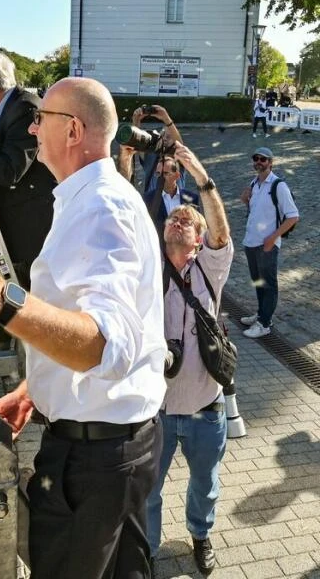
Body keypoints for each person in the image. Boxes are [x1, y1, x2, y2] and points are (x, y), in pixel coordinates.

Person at [0, 76, 166, 578]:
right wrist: (36, 386)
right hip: (115, 451)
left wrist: (1, 300)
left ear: (73, 131)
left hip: (95, 461)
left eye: (41, 117)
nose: (34, 126)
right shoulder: (92, 198)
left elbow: (103, 344)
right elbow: (98, 323)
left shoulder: (100, 208)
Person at [147, 141, 233, 576]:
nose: (180, 218)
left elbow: (221, 230)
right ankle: (147, 549)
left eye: (189, 219)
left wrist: (202, 178)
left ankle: (201, 536)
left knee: (205, 484)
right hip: (156, 409)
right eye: (175, 217)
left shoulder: (210, 269)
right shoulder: (149, 268)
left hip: (204, 406)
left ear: (200, 241)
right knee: (148, 490)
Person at [0, 50, 56, 290]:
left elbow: (10, 172)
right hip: (22, 228)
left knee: (29, 306)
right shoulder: (13, 106)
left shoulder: (25, 108)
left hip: (29, 233)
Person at [239, 146, 299, 338]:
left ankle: (264, 323)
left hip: (267, 244)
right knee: (259, 282)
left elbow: (293, 216)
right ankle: (261, 313)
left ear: (271, 163)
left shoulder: (278, 186)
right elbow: (257, 211)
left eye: (263, 159)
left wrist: (273, 238)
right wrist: (245, 200)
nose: (259, 162)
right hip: (251, 241)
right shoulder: (254, 183)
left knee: (269, 284)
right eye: (256, 158)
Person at [117, 104, 186, 192]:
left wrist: (166, 118)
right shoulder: (152, 158)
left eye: (168, 137)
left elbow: (179, 144)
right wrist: (136, 121)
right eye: (163, 135)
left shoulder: (179, 161)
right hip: (152, 204)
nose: (164, 138)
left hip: (176, 205)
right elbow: (135, 144)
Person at [142, 155, 201, 237]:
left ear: (177, 175)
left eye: (165, 173)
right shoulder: (147, 199)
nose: (160, 178)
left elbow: (198, 226)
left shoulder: (191, 198)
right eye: (158, 174)